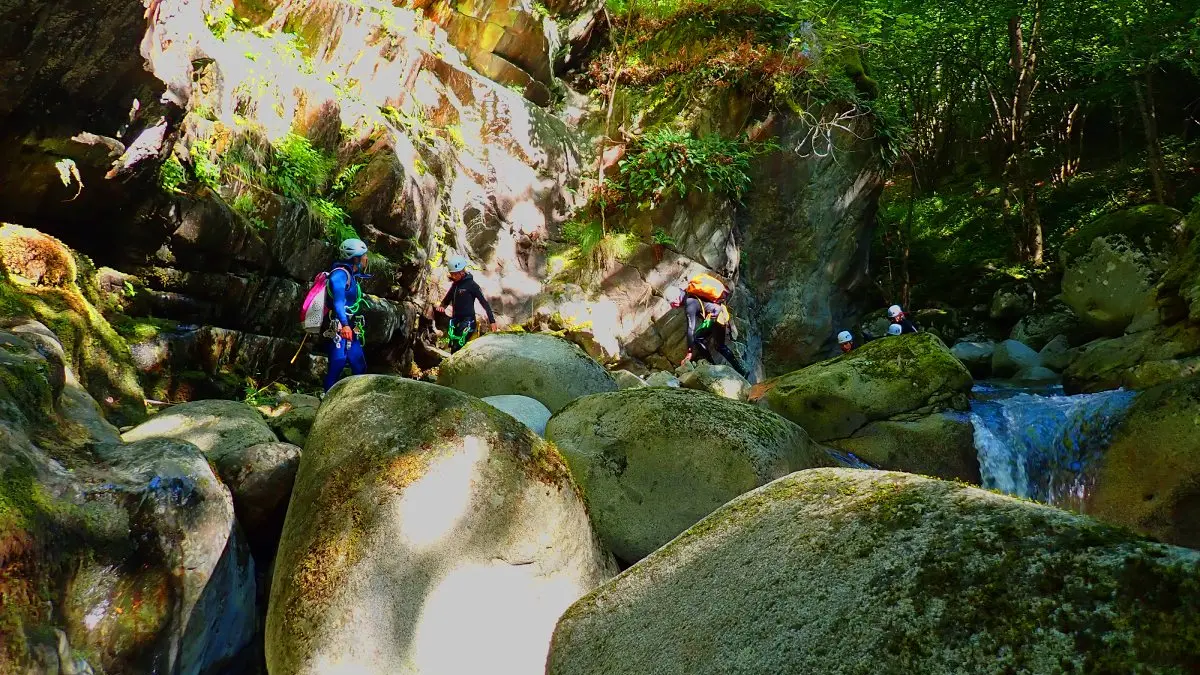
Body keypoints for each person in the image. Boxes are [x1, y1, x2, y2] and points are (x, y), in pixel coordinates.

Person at [672, 273, 748, 377]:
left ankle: (712, 366)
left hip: (715, 317)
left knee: (698, 339)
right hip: (719, 313)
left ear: (677, 299)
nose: (673, 306)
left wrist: (689, 351)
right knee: (720, 346)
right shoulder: (690, 293)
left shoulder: (689, 304)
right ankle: (742, 371)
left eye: (672, 303)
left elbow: (690, 328)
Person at [324, 238, 371, 391]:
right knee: (337, 363)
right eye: (364, 255)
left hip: (350, 327)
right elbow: (338, 302)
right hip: (339, 327)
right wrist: (344, 325)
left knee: (359, 365)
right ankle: (327, 399)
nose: (366, 258)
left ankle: (357, 400)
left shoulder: (352, 275)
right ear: (356, 258)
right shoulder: (339, 275)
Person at [439, 254, 498, 353]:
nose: (452, 276)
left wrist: (492, 321)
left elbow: (484, 303)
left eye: (454, 274)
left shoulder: (472, 285)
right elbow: (447, 298)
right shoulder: (455, 285)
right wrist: (442, 306)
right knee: (452, 345)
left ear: (462, 272)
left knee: (458, 347)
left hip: (468, 322)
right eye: (451, 274)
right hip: (456, 320)